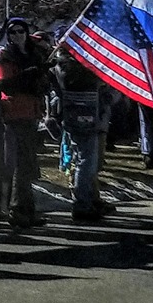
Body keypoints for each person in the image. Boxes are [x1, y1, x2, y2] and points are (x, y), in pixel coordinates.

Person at [0, 18, 49, 230]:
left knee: (28, 163)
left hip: (31, 111)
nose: (16, 36)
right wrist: (28, 75)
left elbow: (42, 82)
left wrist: (40, 74)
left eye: (20, 31)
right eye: (12, 32)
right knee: (20, 164)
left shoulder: (33, 53)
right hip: (14, 112)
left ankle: (26, 208)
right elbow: (6, 85)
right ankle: (17, 209)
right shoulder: (5, 56)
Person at [53, 52, 112, 220]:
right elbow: (87, 81)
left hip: (85, 115)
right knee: (86, 161)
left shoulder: (71, 66)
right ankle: (82, 203)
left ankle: (90, 199)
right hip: (81, 117)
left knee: (87, 159)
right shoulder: (67, 68)